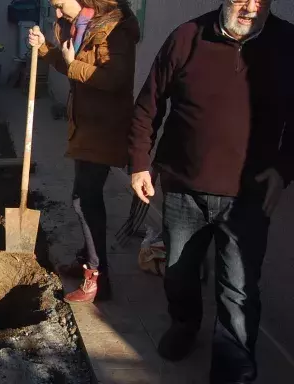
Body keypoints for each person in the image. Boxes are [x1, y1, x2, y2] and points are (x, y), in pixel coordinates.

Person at [129, 1, 293, 382]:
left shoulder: (287, 44)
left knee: (237, 289)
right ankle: (185, 325)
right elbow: (149, 103)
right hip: (184, 189)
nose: (250, 6)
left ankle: (232, 368)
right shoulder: (188, 36)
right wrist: (139, 161)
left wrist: (284, 171)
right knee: (178, 274)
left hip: (249, 197)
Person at [27, 0, 140, 303]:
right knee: (84, 196)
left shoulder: (114, 30)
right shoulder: (82, 27)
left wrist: (72, 63)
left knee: (84, 200)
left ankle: (97, 276)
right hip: (86, 125)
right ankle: (87, 257)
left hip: (104, 127)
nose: (58, 13)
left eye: (61, 5)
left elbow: (115, 80)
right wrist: (45, 49)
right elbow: (72, 66)